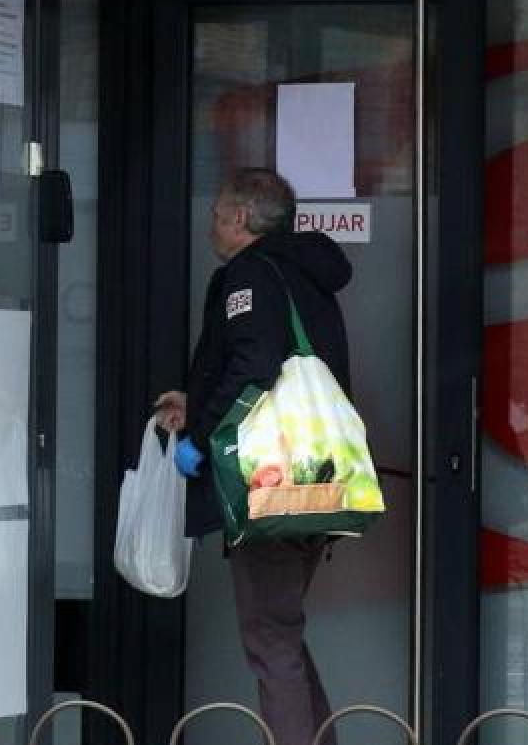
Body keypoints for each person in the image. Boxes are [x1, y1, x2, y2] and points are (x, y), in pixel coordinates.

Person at [155, 168, 352, 745]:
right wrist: (197, 405)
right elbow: (274, 362)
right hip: (316, 473)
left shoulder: (252, 273)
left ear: (240, 219)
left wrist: (203, 435)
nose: (212, 225)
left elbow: (255, 364)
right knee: (279, 632)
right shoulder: (303, 275)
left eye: (217, 214)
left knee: (270, 639)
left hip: (271, 479)